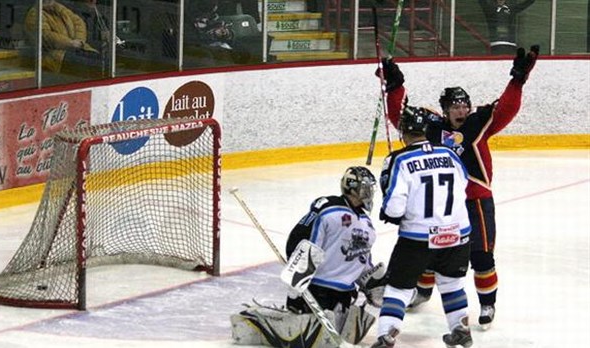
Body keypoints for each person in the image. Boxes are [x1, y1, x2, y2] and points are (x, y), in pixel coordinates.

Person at [376, 44, 540, 330]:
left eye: (464, 104)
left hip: (476, 202)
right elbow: (400, 117)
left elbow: (507, 107)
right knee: (429, 249)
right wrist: (395, 85)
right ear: (445, 110)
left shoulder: (479, 123)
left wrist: (518, 80)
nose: (461, 109)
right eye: (455, 105)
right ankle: (423, 291)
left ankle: (487, 303)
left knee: (481, 255)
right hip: (442, 204)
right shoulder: (433, 128)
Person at [231, 166, 386, 347]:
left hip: (344, 295)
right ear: (351, 187)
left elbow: (361, 262)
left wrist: (371, 283)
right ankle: (260, 321)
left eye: (370, 189)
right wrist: (297, 281)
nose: (369, 193)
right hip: (316, 289)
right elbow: (299, 239)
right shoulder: (328, 209)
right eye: (364, 188)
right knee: (310, 338)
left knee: (334, 336)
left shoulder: (368, 225)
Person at [372, 106, 473, 348]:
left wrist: (388, 211)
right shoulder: (450, 154)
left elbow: (395, 208)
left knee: (399, 288)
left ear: (403, 132)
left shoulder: (400, 159)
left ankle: (387, 335)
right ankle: (460, 329)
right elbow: (464, 184)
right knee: (452, 284)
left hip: (418, 238)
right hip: (458, 234)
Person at [24, 0, 103, 78]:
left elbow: (79, 22)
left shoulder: (59, 8)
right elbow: (46, 36)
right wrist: (70, 43)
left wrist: (79, 40)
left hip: (75, 47)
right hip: (53, 55)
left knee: (99, 59)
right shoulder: (34, 14)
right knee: (83, 63)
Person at [183, 0, 253, 68]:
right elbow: (190, 39)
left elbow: (226, 28)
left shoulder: (214, 16)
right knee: (212, 55)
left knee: (243, 51)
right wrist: (212, 35)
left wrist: (227, 34)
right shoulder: (186, 20)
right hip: (200, 48)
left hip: (219, 46)